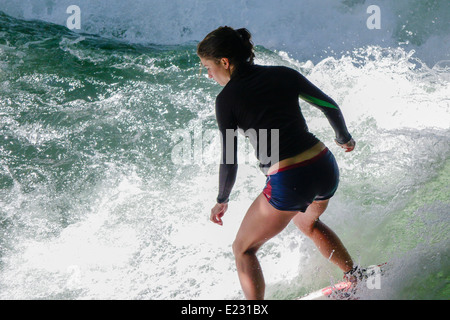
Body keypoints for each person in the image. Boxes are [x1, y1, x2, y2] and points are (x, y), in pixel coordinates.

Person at [197, 26, 357, 300]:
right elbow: (328, 105)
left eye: (207, 67)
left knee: (242, 249)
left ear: (224, 62)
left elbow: (229, 157)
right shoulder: (284, 74)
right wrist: (345, 139)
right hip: (324, 166)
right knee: (307, 223)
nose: (208, 75)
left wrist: (222, 199)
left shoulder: (226, 99)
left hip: (291, 180)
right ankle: (355, 276)